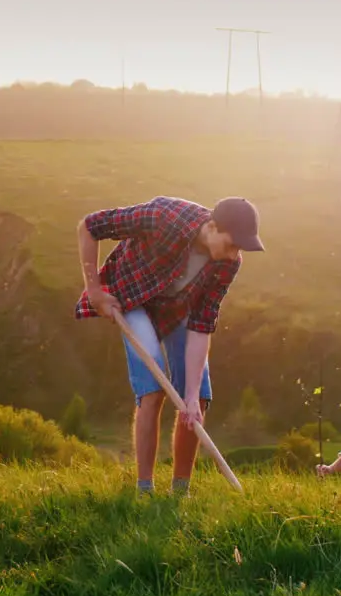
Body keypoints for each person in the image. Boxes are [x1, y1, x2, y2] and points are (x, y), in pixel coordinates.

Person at [74, 195, 265, 496]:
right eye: (231, 244)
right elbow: (89, 226)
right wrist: (95, 291)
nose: (233, 254)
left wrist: (189, 396)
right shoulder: (164, 215)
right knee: (152, 389)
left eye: (239, 248)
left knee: (199, 395)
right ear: (212, 226)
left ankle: (179, 491)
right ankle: (145, 490)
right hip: (133, 298)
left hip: (177, 308)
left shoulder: (228, 264)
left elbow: (202, 324)